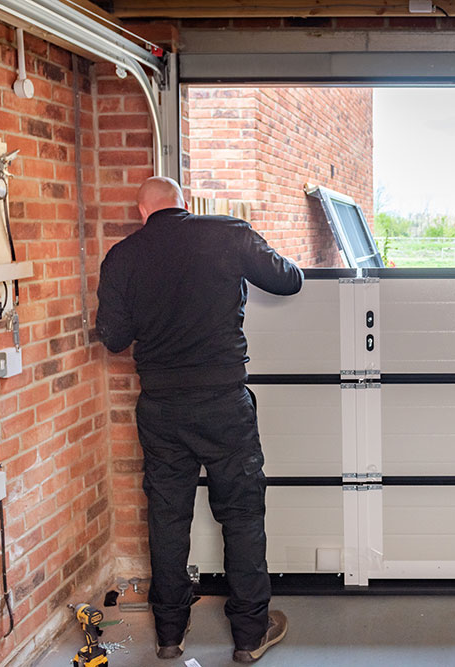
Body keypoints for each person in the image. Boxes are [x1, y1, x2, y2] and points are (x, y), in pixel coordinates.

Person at [96, 177, 303, 663]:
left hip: (162, 408)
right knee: (243, 515)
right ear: (183, 204)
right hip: (223, 404)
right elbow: (288, 278)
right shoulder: (227, 233)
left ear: (142, 211)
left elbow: (113, 338)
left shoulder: (123, 256)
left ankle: (169, 633)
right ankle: (249, 635)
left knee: (168, 517)